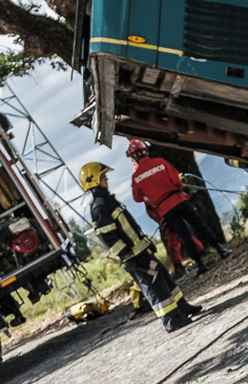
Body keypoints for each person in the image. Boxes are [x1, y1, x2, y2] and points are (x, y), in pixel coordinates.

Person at [81, 160, 200, 333]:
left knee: (164, 277)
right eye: (103, 177)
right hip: (134, 257)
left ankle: (182, 308)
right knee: (154, 286)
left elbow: (128, 228)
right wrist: (125, 256)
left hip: (141, 251)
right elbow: (108, 236)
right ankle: (171, 320)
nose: (107, 179)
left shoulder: (108, 201)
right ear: (94, 180)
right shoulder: (100, 207)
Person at [128, 140, 228, 273]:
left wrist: (151, 196)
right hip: (179, 199)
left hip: (165, 209)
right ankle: (220, 249)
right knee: (200, 224)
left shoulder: (136, 177)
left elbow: (137, 198)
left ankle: (200, 264)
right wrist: (179, 187)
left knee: (185, 236)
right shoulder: (161, 163)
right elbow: (177, 181)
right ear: (146, 151)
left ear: (133, 156)